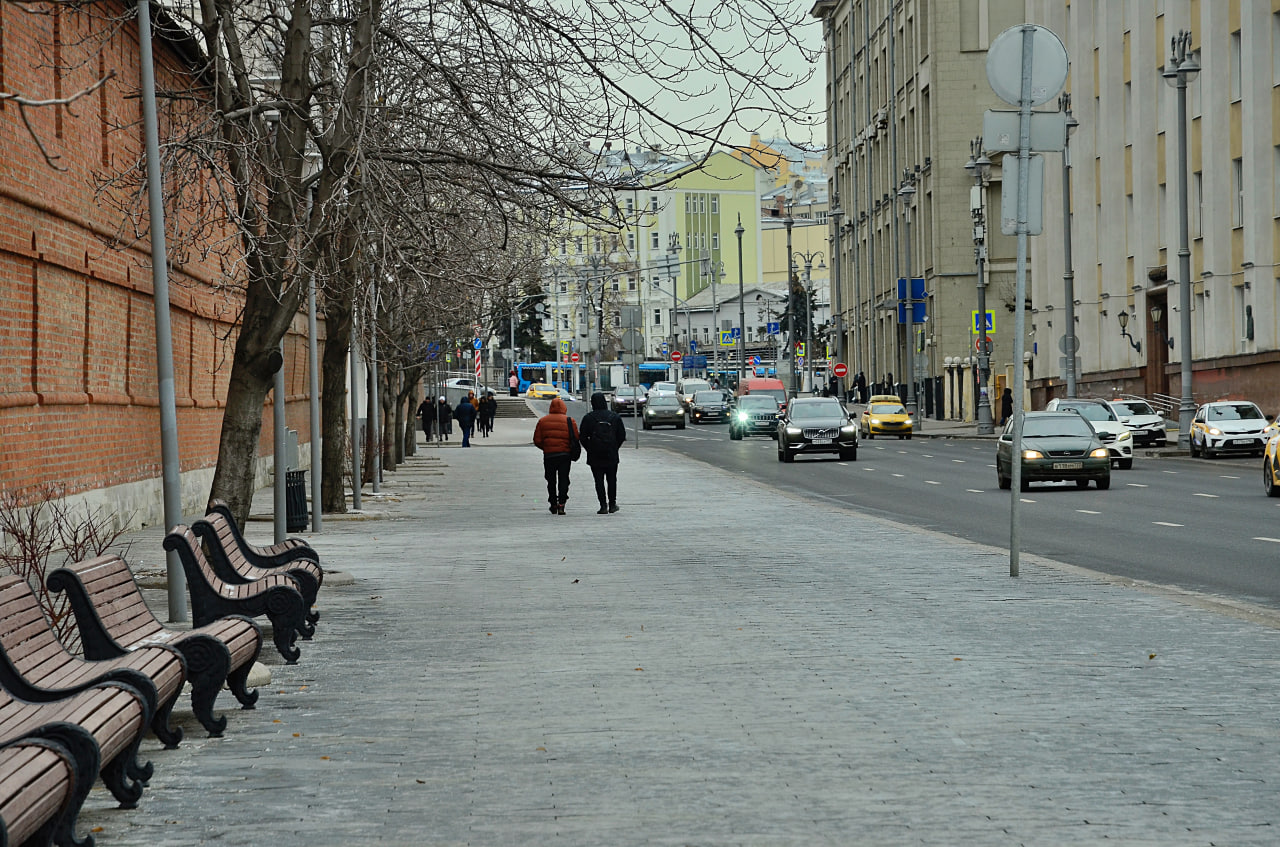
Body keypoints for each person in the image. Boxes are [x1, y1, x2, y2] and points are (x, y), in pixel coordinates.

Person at [580, 391, 626, 514]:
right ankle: (612, 504)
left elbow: (582, 437)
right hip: (611, 453)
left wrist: (589, 448)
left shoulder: (588, 418)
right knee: (612, 479)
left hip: (595, 454)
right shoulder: (614, 417)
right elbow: (621, 435)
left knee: (598, 480)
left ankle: (602, 506)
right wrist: (615, 447)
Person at [533, 397, 579, 515]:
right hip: (564, 454)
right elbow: (575, 438)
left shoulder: (543, 421)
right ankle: (562, 503)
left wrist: (546, 447)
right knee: (564, 479)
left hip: (549, 455)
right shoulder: (570, 421)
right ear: (564, 407)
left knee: (551, 480)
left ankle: (553, 503)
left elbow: (537, 440)